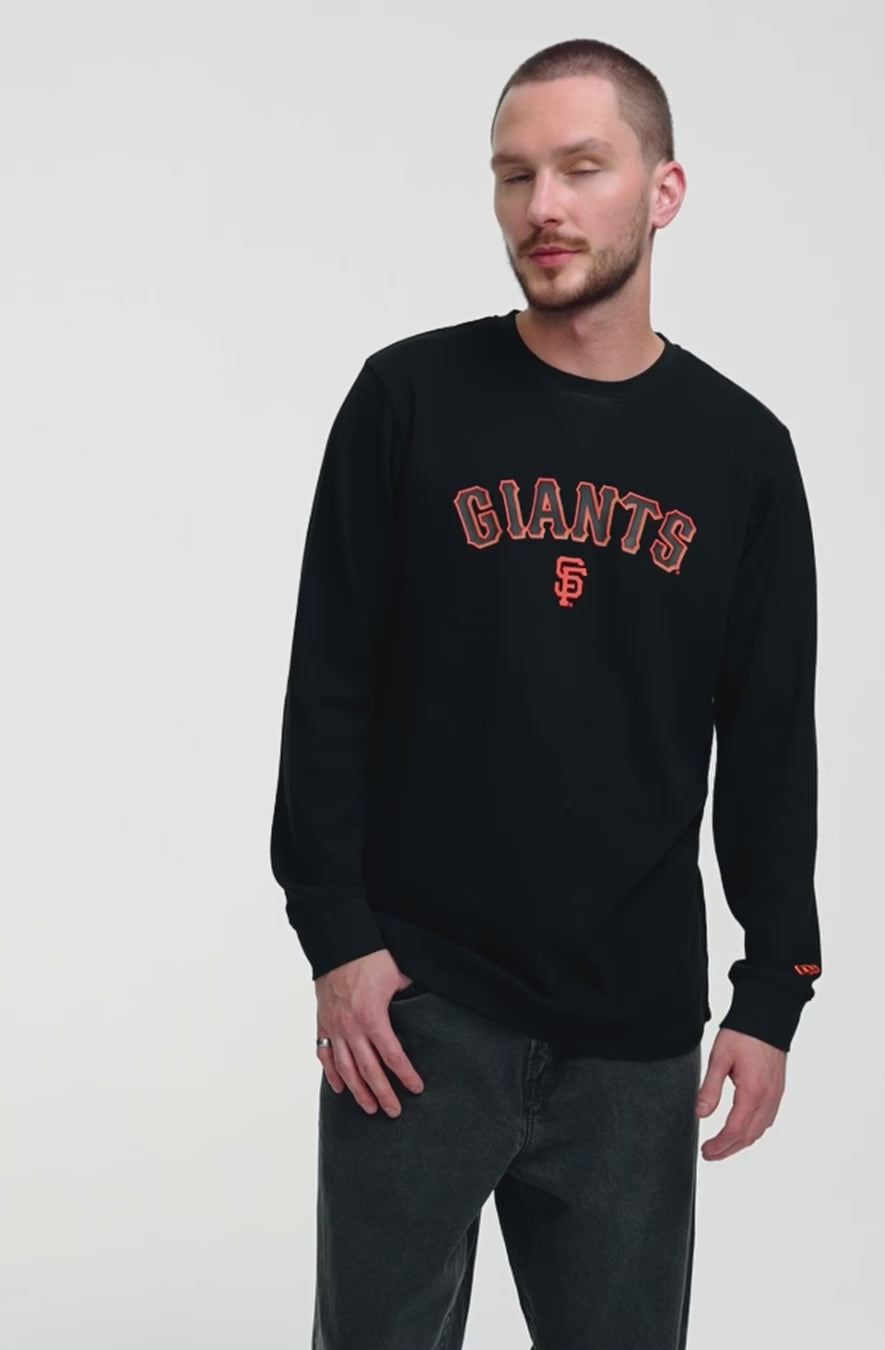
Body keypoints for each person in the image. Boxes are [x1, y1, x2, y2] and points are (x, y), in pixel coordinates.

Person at [269, 36, 822, 1350]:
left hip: (632, 1035)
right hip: (416, 1016)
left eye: (582, 168)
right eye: (514, 175)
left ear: (664, 190)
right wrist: (337, 942)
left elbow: (768, 743)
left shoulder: (741, 455)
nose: (543, 207)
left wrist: (772, 989)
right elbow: (328, 687)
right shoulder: (406, 401)